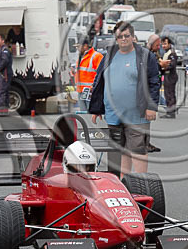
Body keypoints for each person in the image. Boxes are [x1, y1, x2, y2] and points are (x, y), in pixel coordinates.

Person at [88, 21, 160, 176]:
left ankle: (142, 184)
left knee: (138, 150)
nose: (123, 39)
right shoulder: (108, 56)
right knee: (120, 151)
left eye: (127, 36)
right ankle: (123, 185)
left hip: (137, 114)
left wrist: (152, 107)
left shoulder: (145, 56)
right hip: (113, 114)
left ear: (133, 37)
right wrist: (96, 108)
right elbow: (99, 81)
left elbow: (154, 82)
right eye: (120, 36)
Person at [76, 38, 103, 112]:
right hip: (81, 91)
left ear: (85, 46)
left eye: (78, 46)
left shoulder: (96, 56)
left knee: (91, 114)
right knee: (84, 114)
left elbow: (101, 74)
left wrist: (94, 88)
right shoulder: (81, 57)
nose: (77, 49)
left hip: (91, 91)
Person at [159, 36, 179, 117]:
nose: (163, 46)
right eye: (162, 44)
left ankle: (171, 112)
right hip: (166, 76)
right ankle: (169, 111)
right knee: (167, 94)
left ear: (169, 44)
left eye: (165, 44)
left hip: (171, 76)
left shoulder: (172, 53)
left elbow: (172, 65)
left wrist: (163, 66)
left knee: (170, 94)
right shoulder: (165, 53)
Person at [0, 34, 13, 115]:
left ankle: (2, 112)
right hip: (3, 73)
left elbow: (5, 61)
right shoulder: (1, 49)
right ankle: (5, 111)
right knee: (4, 92)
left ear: (3, 40)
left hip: (5, 74)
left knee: (1, 92)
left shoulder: (4, 49)